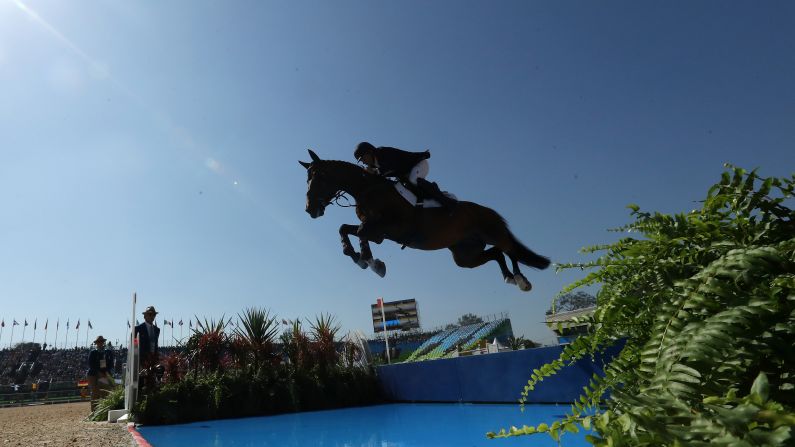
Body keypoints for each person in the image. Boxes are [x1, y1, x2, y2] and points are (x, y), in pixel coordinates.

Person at [353, 141, 457, 209]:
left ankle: (447, 201)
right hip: (406, 172)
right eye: (361, 160)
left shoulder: (382, 153)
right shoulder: (375, 164)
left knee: (413, 180)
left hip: (418, 164)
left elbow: (389, 168)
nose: (363, 162)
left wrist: (375, 173)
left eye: (363, 158)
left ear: (369, 152)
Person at [86, 335, 114, 411]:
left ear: (104, 342)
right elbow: (90, 364)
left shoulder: (108, 352)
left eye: (101, 341)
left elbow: (111, 364)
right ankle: (94, 411)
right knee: (95, 392)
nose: (100, 343)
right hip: (93, 375)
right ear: (96, 343)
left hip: (104, 374)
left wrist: (106, 372)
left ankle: (104, 410)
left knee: (105, 391)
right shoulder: (93, 352)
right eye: (99, 342)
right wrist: (98, 372)